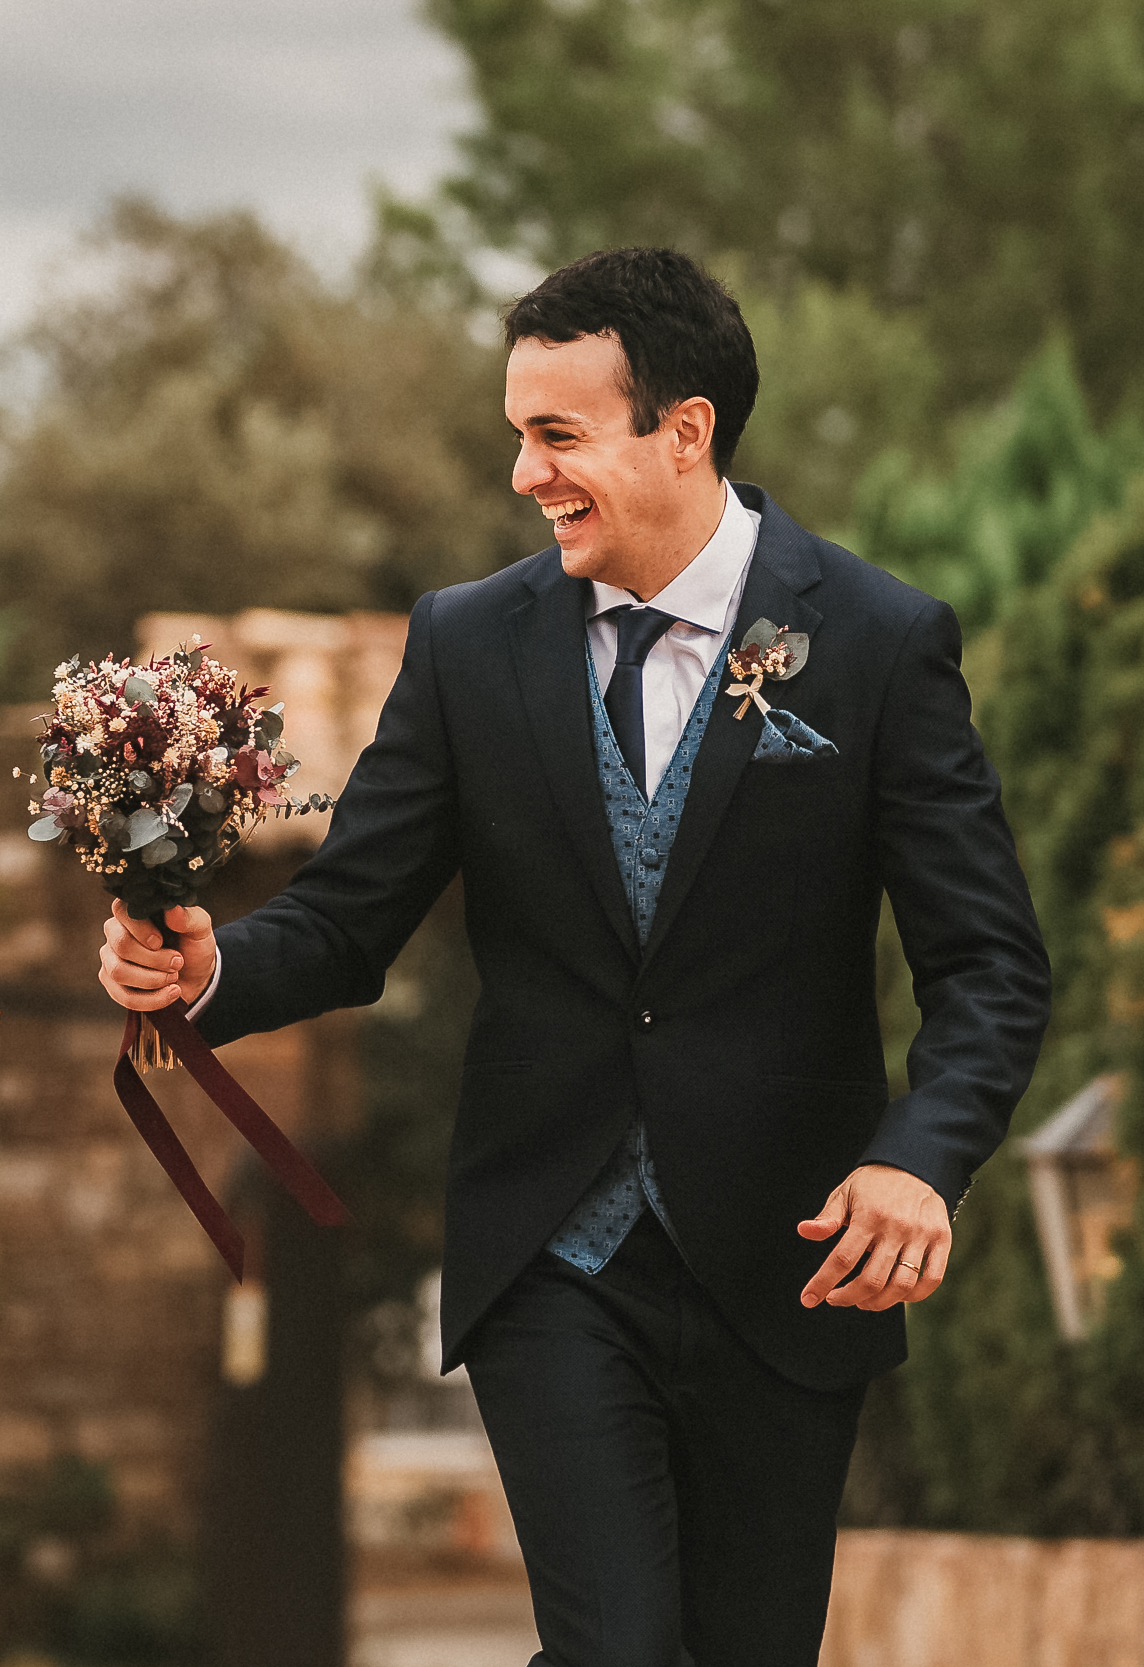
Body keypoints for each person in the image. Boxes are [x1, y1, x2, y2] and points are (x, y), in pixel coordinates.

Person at [96, 250, 1049, 1666]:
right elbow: (350, 915)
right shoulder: (471, 643)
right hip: (553, 1248)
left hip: (789, 1266)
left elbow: (988, 961)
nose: (526, 473)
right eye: (516, 434)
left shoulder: (876, 640)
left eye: (557, 434)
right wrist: (208, 974)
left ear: (686, 431)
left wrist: (920, 1157)